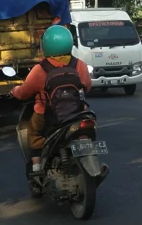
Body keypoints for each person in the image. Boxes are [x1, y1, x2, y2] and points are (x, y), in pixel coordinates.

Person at [12, 25, 93, 172]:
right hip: (78, 114)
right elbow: (87, 86)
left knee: (34, 134)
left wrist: (14, 91)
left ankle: (36, 169)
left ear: (46, 46)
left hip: (48, 116)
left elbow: (23, 93)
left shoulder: (40, 69)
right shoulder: (79, 64)